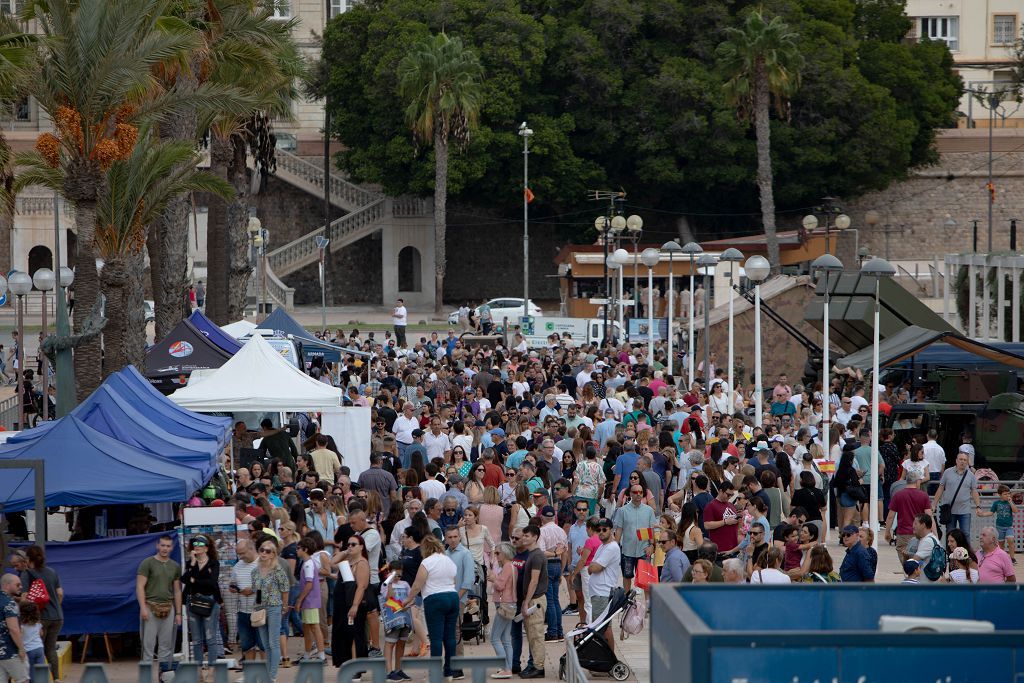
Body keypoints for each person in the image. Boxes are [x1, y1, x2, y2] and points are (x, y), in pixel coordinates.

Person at [403, 535, 460, 680]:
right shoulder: (449, 560)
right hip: (452, 597)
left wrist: (408, 599)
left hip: (434, 599)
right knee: (450, 637)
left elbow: (417, 585)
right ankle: (448, 672)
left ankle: (434, 673)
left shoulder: (426, 562)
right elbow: (453, 580)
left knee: (436, 638)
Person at [136, 535, 182, 676]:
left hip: (168, 608)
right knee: (148, 646)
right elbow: (139, 586)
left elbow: (177, 590)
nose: (165, 549)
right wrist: (143, 608)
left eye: (168, 546)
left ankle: (164, 676)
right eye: (162, 545)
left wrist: (179, 613)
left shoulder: (175, 566)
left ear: (171, 548)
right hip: (150, 607)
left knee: (166, 646)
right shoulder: (147, 563)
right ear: (157, 545)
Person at [18, 546, 62, 682]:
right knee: (51, 649)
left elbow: (25, 597)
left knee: (38, 649)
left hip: (40, 618)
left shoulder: (27, 573)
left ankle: (38, 679)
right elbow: (60, 593)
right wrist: (55, 607)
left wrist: (20, 611)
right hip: (58, 616)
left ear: (28, 559)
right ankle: (56, 679)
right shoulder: (52, 572)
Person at [251, 537, 290, 681]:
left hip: (274, 607)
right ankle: (268, 673)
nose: (264, 553)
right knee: (265, 644)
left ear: (273, 554)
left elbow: (285, 589)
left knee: (273, 643)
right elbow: (257, 590)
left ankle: (272, 675)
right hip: (260, 608)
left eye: (268, 551)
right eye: (261, 550)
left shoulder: (277, 570)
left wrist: (284, 606)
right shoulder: (255, 571)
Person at [182, 534, 222, 671]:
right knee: (196, 639)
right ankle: (198, 668)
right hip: (193, 601)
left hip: (210, 600)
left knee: (210, 636)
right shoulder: (190, 563)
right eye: (194, 544)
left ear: (206, 548)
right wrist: (193, 564)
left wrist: (194, 580)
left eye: (200, 544)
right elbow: (185, 579)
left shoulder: (213, 563)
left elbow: (212, 582)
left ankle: (212, 668)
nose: (196, 547)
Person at [332, 533, 370, 668]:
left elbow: (361, 586)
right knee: (343, 635)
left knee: (355, 635)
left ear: (361, 547)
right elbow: (332, 562)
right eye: (348, 544)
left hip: (354, 604)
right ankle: (347, 664)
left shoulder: (362, 563)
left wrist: (355, 606)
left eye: (353, 544)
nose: (350, 547)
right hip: (342, 604)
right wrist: (344, 551)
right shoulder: (348, 561)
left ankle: (357, 667)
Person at [612, 483, 657, 591]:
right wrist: (615, 548)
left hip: (644, 550)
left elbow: (651, 529)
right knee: (627, 576)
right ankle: (627, 599)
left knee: (645, 578)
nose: (638, 494)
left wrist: (652, 545)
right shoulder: (622, 511)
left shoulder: (649, 511)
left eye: (640, 492)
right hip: (627, 550)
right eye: (635, 492)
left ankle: (646, 604)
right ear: (630, 494)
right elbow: (619, 530)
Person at [587, 519, 621, 657]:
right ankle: (606, 659)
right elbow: (592, 565)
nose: (600, 532)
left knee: (604, 628)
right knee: (601, 628)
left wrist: (592, 567)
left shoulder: (612, 547)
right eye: (598, 530)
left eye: (604, 529)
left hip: (603, 593)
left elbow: (594, 567)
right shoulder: (602, 546)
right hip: (597, 593)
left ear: (611, 530)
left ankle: (609, 660)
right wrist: (592, 567)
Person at [931, 450, 980, 539]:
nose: (963, 461)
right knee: (950, 534)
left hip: (965, 510)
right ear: (956, 460)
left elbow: (974, 491)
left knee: (966, 534)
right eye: (961, 459)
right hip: (950, 510)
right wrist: (934, 503)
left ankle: (966, 552)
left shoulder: (971, 475)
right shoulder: (947, 472)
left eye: (965, 460)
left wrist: (978, 506)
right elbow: (941, 488)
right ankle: (950, 553)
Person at [229, 540, 262, 668]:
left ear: (251, 549)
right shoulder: (238, 565)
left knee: (263, 644)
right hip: (243, 610)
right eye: (239, 554)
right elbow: (233, 582)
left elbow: (270, 586)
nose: (241, 557)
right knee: (247, 645)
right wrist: (233, 588)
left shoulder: (262, 563)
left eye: (243, 553)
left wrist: (253, 590)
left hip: (259, 610)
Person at [378, 559, 413, 681]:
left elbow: (410, 599)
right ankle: (389, 671)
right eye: (395, 574)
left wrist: (408, 604)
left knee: (401, 643)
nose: (397, 577)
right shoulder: (385, 585)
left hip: (404, 618)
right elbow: (388, 598)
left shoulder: (405, 584)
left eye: (399, 574)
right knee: (390, 643)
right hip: (392, 620)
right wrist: (390, 582)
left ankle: (399, 669)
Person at [489, 542, 517, 680]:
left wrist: (494, 579)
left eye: (498, 553)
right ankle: (508, 668)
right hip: (510, 603)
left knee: (494, 638)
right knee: (505, 639)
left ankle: (505, 668)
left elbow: (500, 585)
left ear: (505, 553)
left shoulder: (506, 567)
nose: (496, 555)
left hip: (504, 604)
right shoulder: (511, 566)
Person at [295, 538, 326, 662]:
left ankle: (321, 655)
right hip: (310, 600)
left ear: (305, 549)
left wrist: (299, 600)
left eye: (298, 548)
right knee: (307, 627)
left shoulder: (307, 564)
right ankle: (308, 654)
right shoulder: (309, 562)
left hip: (309, 601)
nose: (296, 550)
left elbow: (309, 584)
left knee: (313, 627)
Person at [978, 484, 1018, 564]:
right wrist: (983, 514)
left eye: (1008, 493)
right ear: (1000, 495)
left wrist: (1010, 502)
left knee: (1011, 540)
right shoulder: (996, 503)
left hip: (1009, 526)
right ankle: (1002, 558)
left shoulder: (1010, 502)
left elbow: (1015, 510)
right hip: (999, 527)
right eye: (1005, 494)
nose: (1007, 495)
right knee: (1001, 543)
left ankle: (1012, 558)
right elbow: (991, 512)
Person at [1, 574, 27, 683]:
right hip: (10, 650)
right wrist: (21, 648)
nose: (20, 587)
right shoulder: (9, 603)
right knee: (23, 680)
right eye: (17, 584)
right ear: (7, 585)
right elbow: (13, 629)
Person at [909, 514, 941, 583]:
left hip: (925, 584)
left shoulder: (927, 541)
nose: (913, 526)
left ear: (923, 525)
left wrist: (905, 557)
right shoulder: (932, 538)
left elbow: (912, 563)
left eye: (915, 523)